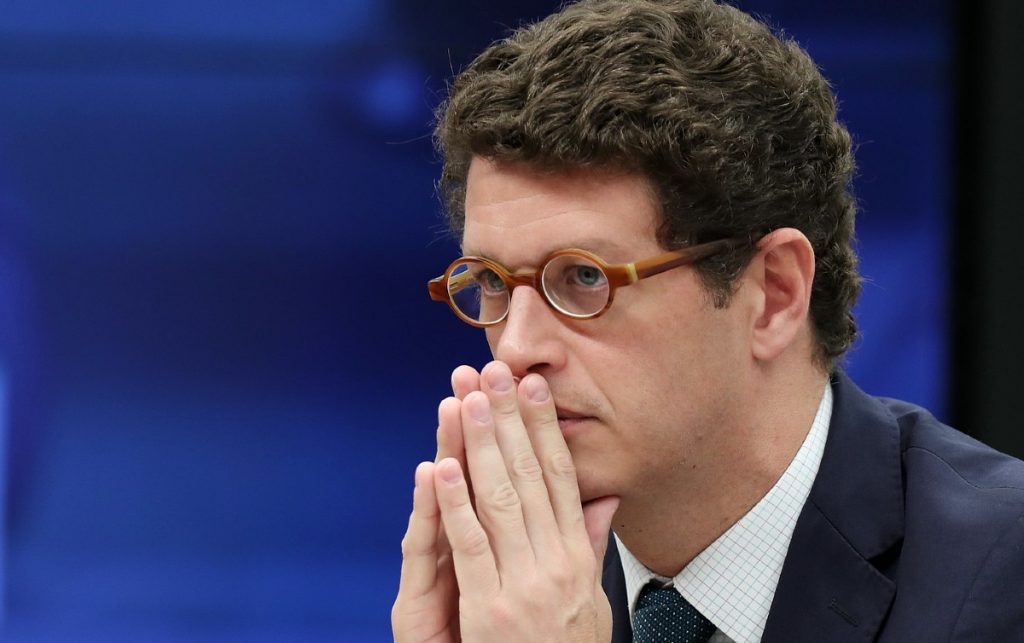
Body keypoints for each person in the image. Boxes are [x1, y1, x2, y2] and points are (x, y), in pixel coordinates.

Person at [391, 1, 1024, 641]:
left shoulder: (1003, 579)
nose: (516, 349)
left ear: (774, 294)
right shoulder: (501, 598)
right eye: (492, 282)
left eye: (584, 277)